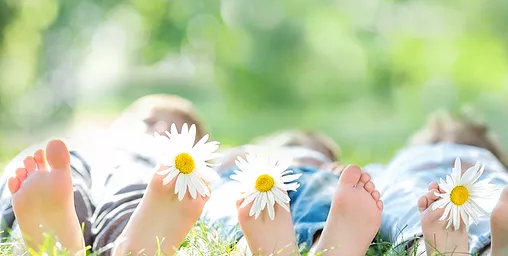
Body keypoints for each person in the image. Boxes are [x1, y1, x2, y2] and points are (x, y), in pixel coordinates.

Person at [0, 94, 384, 256]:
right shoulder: (91, 140)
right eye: (146, 118)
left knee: (135, 194)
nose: (152, 127)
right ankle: (49, 234)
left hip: (146, 174)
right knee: (47, 185)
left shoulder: (165, 162)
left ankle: (130, 246)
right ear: (118, 122)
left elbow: (228, 162)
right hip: (70, 163)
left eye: (168, 127)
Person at [371, 112, 508, 255]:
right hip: (484, 178)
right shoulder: (484, 158)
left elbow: (365, 181)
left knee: (410, 212)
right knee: (498, 208)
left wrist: (342, 175)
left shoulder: (402, 161)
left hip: (411, 179)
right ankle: (497, 250)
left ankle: (429, 249)